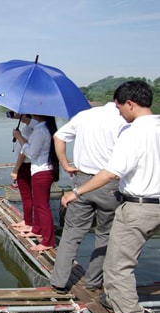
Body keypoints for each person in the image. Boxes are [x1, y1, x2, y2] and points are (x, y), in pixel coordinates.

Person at [61, 80, 160, 313]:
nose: (119, 114)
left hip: (138, 207)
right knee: (125, 258)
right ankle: (114, 300)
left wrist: (77, 192)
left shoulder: (134, 132)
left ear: (130, 104)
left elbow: (110, 173)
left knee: (117, 268)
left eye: (119, 109)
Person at [50, 103, 127, 294]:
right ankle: (93, 282)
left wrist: (65, 164)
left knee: (71, 234)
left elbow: (58, 136)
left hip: (82, 181)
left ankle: (59, 282)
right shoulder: (124, 119)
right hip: (110, 182)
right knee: (105, 235)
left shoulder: (84, 115)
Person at [13, 115, 59, 252]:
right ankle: (37, 229)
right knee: (39, 205)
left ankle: (48, 240)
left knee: (42, 207)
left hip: (42, 172)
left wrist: (20, 137)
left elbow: (32, 154)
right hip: (40, 170)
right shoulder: (42, 128)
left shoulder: (41, 131)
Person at [10, 114, 36, 233]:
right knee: (29, 195)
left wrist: (15, 169)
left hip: (25, 165)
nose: (12, 113)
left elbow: (24, 151)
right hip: (30, 165)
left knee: (26, 196)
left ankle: (29, 222)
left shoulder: (28, 129)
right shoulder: (35, 127)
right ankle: (27, 220)